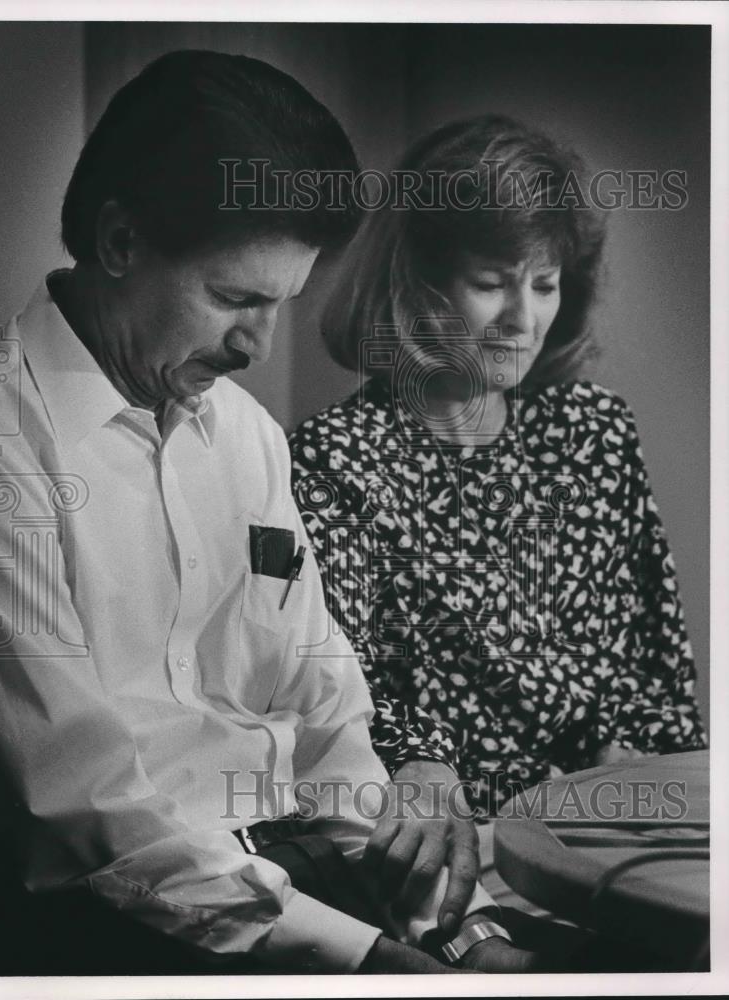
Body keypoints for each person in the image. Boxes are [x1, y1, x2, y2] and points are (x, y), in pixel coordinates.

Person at [0, 52, 547, 977]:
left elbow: (323, 710)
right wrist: (362, 956)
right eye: (235, 298)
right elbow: (85, 804)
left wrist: (456, 924)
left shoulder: (246, 436)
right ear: (119, 241)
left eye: (282, 303)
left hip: (302, 879)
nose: (258, 344)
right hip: (116, 931)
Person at [288, 115, 707, 907]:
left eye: (544, 283)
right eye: (492, 282)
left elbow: (659, 670)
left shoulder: (595, 431)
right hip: (456, 863)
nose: (524, 318)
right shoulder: (334, 460)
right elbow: (344, 704)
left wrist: (641, 764)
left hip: (619, 835)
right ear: (415, 286)